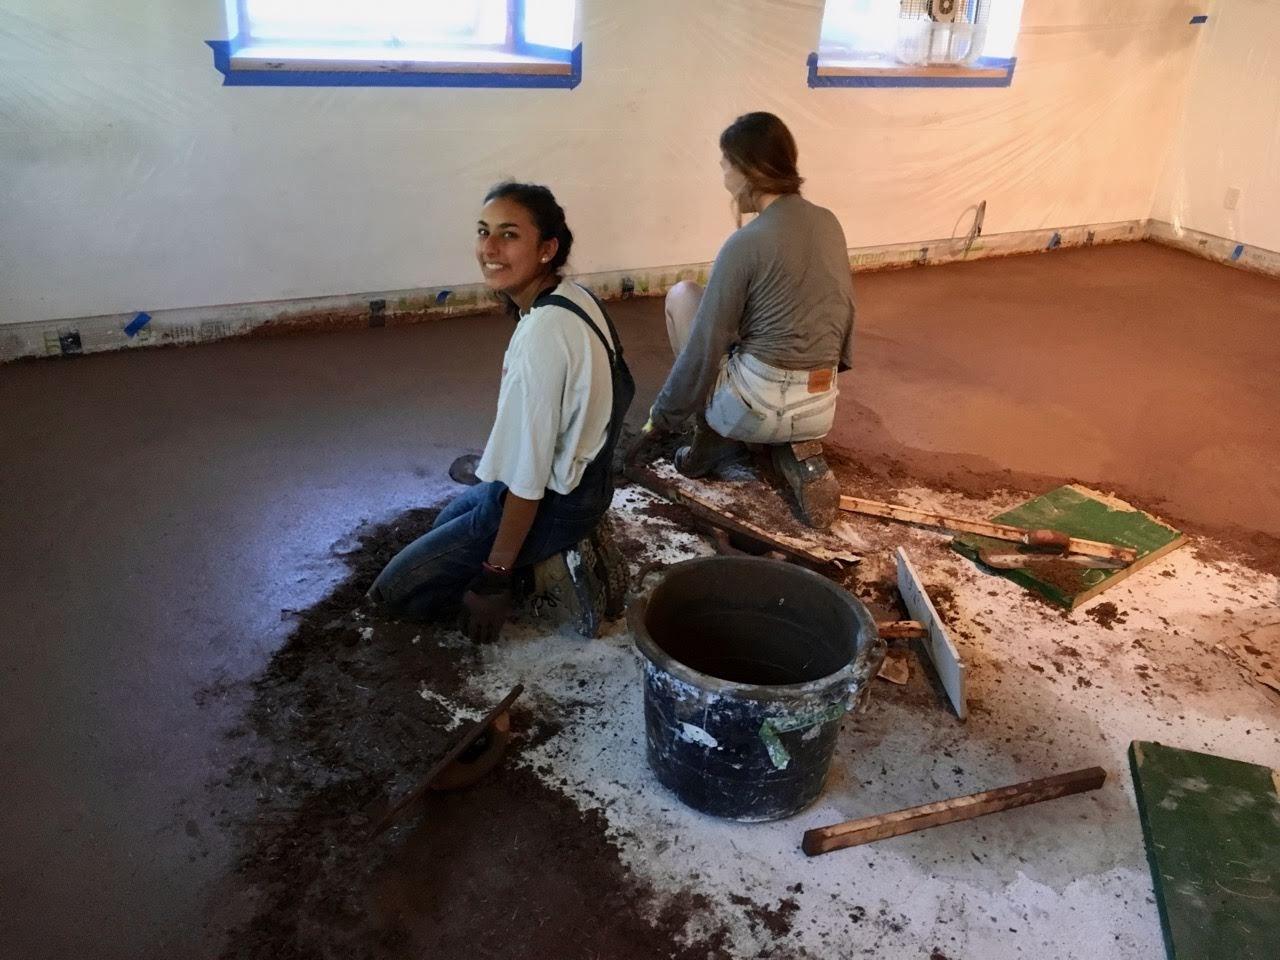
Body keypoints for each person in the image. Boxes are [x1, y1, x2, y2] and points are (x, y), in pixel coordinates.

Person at [368, 182, 634, 641]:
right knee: (444, 522)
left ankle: (531, 578)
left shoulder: (542, 338)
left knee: (393, 595)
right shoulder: (574, 296)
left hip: (556, 504)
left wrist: (495, 577)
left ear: (547, 248)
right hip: (588, 486)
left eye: (509, 235)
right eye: (483, 231)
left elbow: (527, 483)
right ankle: (519, 560)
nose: (488, 248)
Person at [637, 112, 856, 529]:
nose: (723, 176)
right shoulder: (829, 223)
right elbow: (843, 312)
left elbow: (705, 344)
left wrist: (661, 420)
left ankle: (711, 438)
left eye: (725, 165)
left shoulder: (745, 243)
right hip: (821, 404)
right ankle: (800, 451)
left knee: (685, 296)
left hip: (749, 411)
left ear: (747, 170)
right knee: (752, 333)